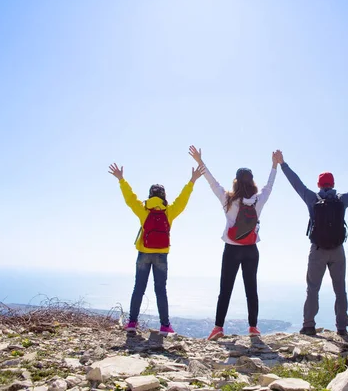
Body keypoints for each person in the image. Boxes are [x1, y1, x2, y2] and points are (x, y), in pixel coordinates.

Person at [277, 151, 348, 336]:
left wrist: (283, 164)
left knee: (312, 289)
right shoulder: (342, 200)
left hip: (318, 250)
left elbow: (296, 183)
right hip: (337, 251)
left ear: (319, 185)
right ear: (333, 184)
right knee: (340, 289)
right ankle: (342, 327)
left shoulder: (312, 199)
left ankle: (309, 325)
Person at [189, 145, 280, 341]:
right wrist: (274, 166)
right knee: (251, 289)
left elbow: (212, 182)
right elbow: (269, 186)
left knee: (225, 289)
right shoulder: (258, 200)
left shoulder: (228, 200)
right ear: (252, 182)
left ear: (236, 182)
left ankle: (218, 327)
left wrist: (199, 161)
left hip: (231, 249)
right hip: (251, 250)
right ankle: (253, 327)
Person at [108, 162, 204, 335]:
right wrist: (192, 181)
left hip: (144, 253)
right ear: (163, 196)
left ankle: (132, 323)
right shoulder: (169, 212)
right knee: (161, 290)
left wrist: (121, 179)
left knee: (139, 288)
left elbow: (130, 198)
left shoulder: (144, 211)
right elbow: (182, 200)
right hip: (161, 255)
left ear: (150, 195)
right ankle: (165, 325)